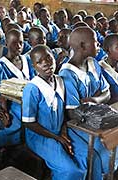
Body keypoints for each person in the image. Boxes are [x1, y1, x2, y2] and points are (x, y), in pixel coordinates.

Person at [59, 27, 118, 180]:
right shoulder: (67, 74)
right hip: (79, 127)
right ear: (82, 46)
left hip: (97, 119)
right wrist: (97, 101)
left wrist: (94, 100)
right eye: (94, 41)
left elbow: (106, 92)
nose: (98, 43)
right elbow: (74, 113)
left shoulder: (92, 63)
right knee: (99, 155)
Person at [22, 45, 86, 180]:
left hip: (60, 131)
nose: (46, 63)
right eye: (39, 62)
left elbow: (62, 113)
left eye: (48, 58)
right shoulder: (32, 88)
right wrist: (56, 138)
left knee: (86, 156)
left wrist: (62, 131)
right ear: (34, 67)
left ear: (55, 58)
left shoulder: (60, 81)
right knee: (70, 171)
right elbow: (29, 123)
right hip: (39, 136)